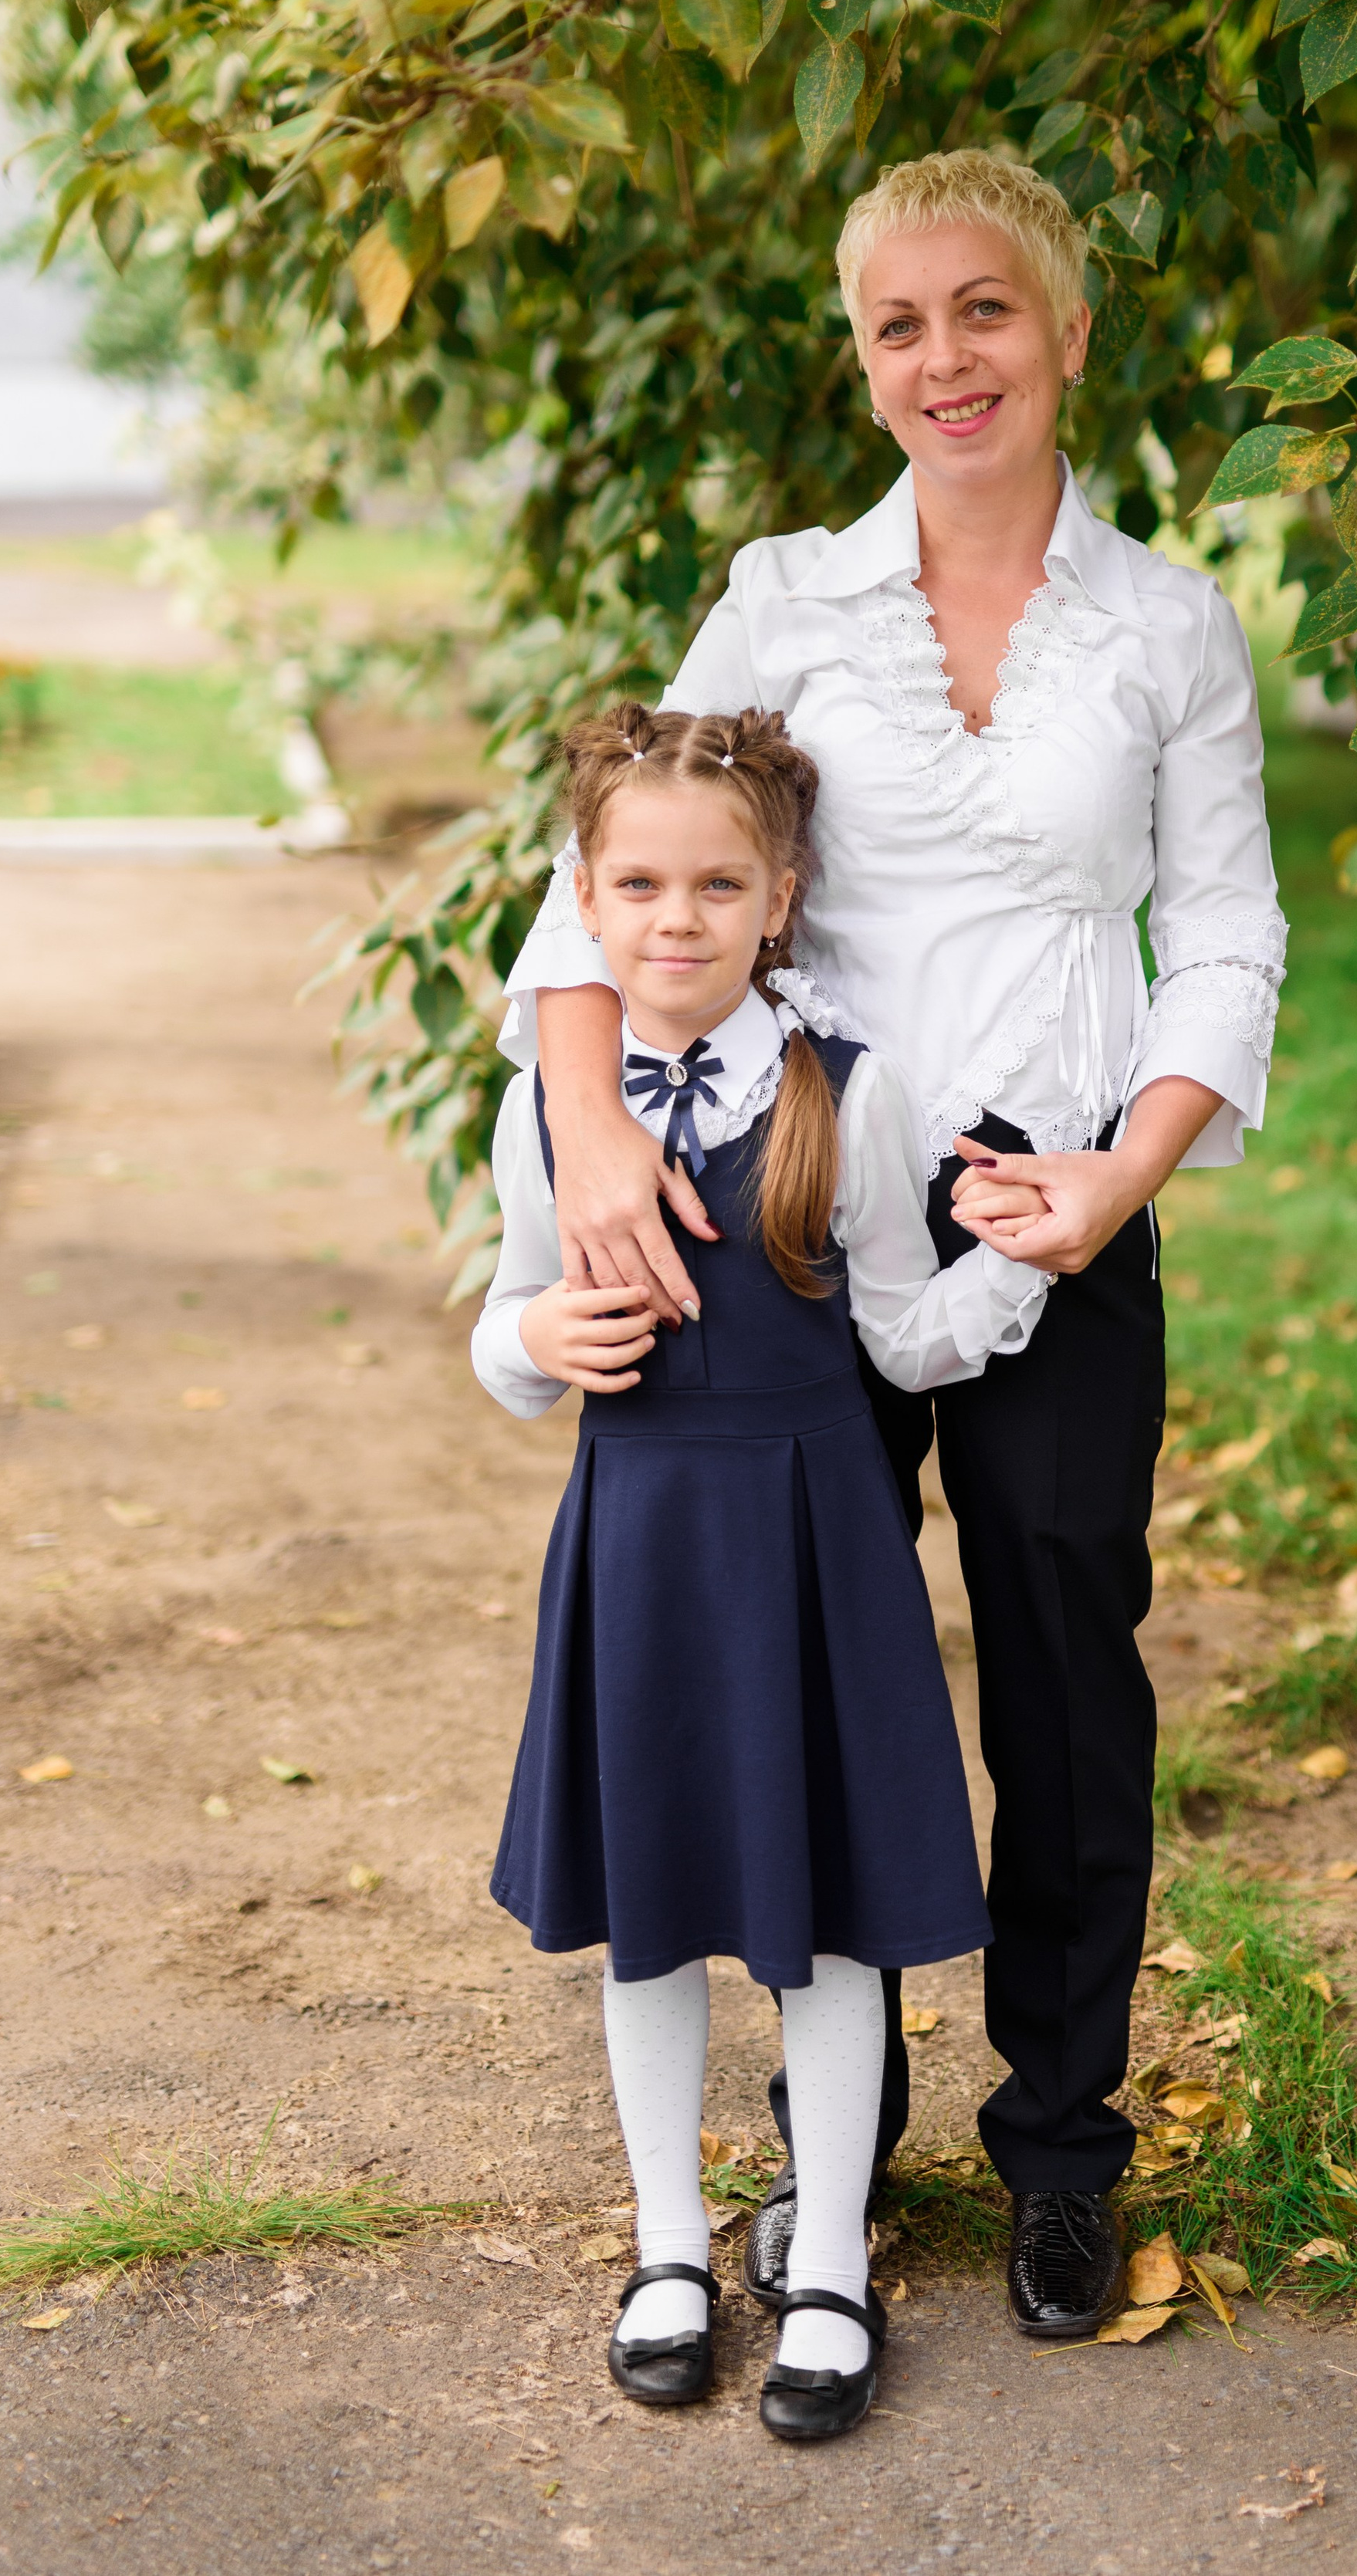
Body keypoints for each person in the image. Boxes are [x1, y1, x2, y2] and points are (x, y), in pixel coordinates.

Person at [498, 147, 1288, 2338]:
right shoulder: (783, 600)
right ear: (864, 365)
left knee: (1062, 1679)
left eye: (985, 311)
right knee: (791, 1694)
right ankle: (827, 2169)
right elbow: (605, 892)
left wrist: (1123, 1175)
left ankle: (1056, 2149)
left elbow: (1225, 924)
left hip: (1050, 1213)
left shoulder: (1167, 624)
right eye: (897, 327)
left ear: (1065, 330)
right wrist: (585, 1138)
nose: (946, 359)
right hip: (785, 1220)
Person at [472, 701, 1051, 2439]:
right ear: (585, 897)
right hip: (637, 1545)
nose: (675, 919)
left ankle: (830, 2269)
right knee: (648, 1917)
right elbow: (499, 1332)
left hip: (813, 1549)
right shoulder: (548, 1119)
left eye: (717, 886)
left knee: (826, 1928)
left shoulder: (845, 1094)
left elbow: (898, 1326)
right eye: (636, 884)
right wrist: (540, 1333)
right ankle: (663, 2244)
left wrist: (1015, 1274)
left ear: (779, 896)